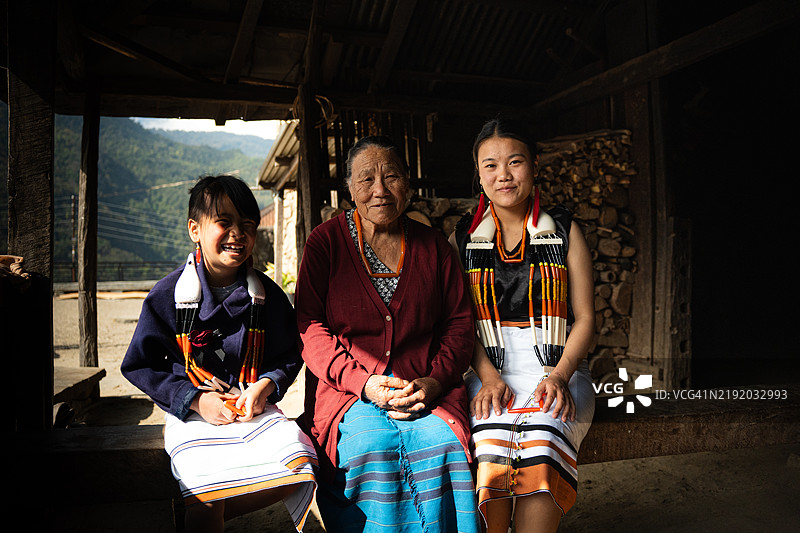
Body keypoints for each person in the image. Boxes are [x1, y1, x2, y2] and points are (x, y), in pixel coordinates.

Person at [295, 136, 480, 533]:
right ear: (350, 189)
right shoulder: (325, 243)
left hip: (424, 384)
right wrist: (363, 383)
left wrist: (435, 381)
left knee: (444, 443)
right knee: (370, 445)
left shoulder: (433, 247)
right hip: (348, 390)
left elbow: (459, 324)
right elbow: (310, 328)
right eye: (367, 179)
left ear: (407, 186)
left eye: (391, 177)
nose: (379, 189)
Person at [121, 175, 317, 533]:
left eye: (247, 225)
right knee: (207, 495)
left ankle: (209, 511)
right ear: (194, 229)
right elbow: (141, 364)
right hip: (193, 414)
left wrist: (265, 387)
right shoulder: (168, 295)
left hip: (250, 408)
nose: (237, 234)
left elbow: (291, 351)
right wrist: (196, 400)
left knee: (300, 467)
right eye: (224, 222)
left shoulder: (267, 296)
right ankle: (205, 510)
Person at [449, 117, 596, 533]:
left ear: (534, 165)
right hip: (488, 369)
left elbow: (586, 319)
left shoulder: (565, 231)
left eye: (515, 162)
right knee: (486, 444)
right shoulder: (462, 240)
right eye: (491, 165)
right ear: (479, 175)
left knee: (544, 436)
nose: (504, 175)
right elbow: (459, 323)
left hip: (560, 366)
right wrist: (488, 378)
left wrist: (560, 376)